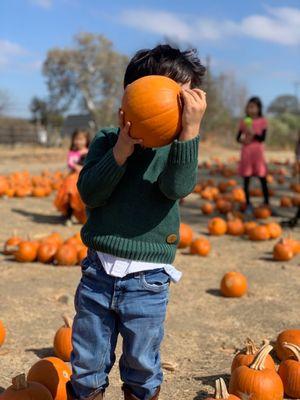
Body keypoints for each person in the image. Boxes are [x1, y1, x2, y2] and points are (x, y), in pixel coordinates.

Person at [67, 44, 207, 400]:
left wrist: (189, 134)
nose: (174, 108)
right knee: (85, 363)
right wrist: (120, 153)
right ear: (135, 94)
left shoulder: (176, 149)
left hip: (149, 280)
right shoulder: (106, 141)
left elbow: (177, 187)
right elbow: (90, 192)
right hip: (99, 272)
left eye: (184, 102)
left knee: (142, 366)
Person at [237, 97, 269, 214]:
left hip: (258, 153)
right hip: (247, 152)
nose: (250, 109)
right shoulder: (244, 121)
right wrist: (243, 141)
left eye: (253, 107)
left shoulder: (263, 121)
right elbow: (238, 138)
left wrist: (254, 134)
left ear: (259, 108)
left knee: (262, 178)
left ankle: (266, 203)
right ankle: (248, 204)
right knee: (246, 179)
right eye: (249, 106)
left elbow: (262, 138)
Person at [54, 129, 90, 225]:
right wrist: (76, 166)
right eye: (76, 139)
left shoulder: (89, 151)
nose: (79, 142)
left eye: (81, 139)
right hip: (72, 177)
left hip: (84, 177)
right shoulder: (72, 152)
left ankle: (83, 215)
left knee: (82, 197)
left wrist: (82, 168)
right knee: (69, 193)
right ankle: (68, 215)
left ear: (87, 140)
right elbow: (70, 162)